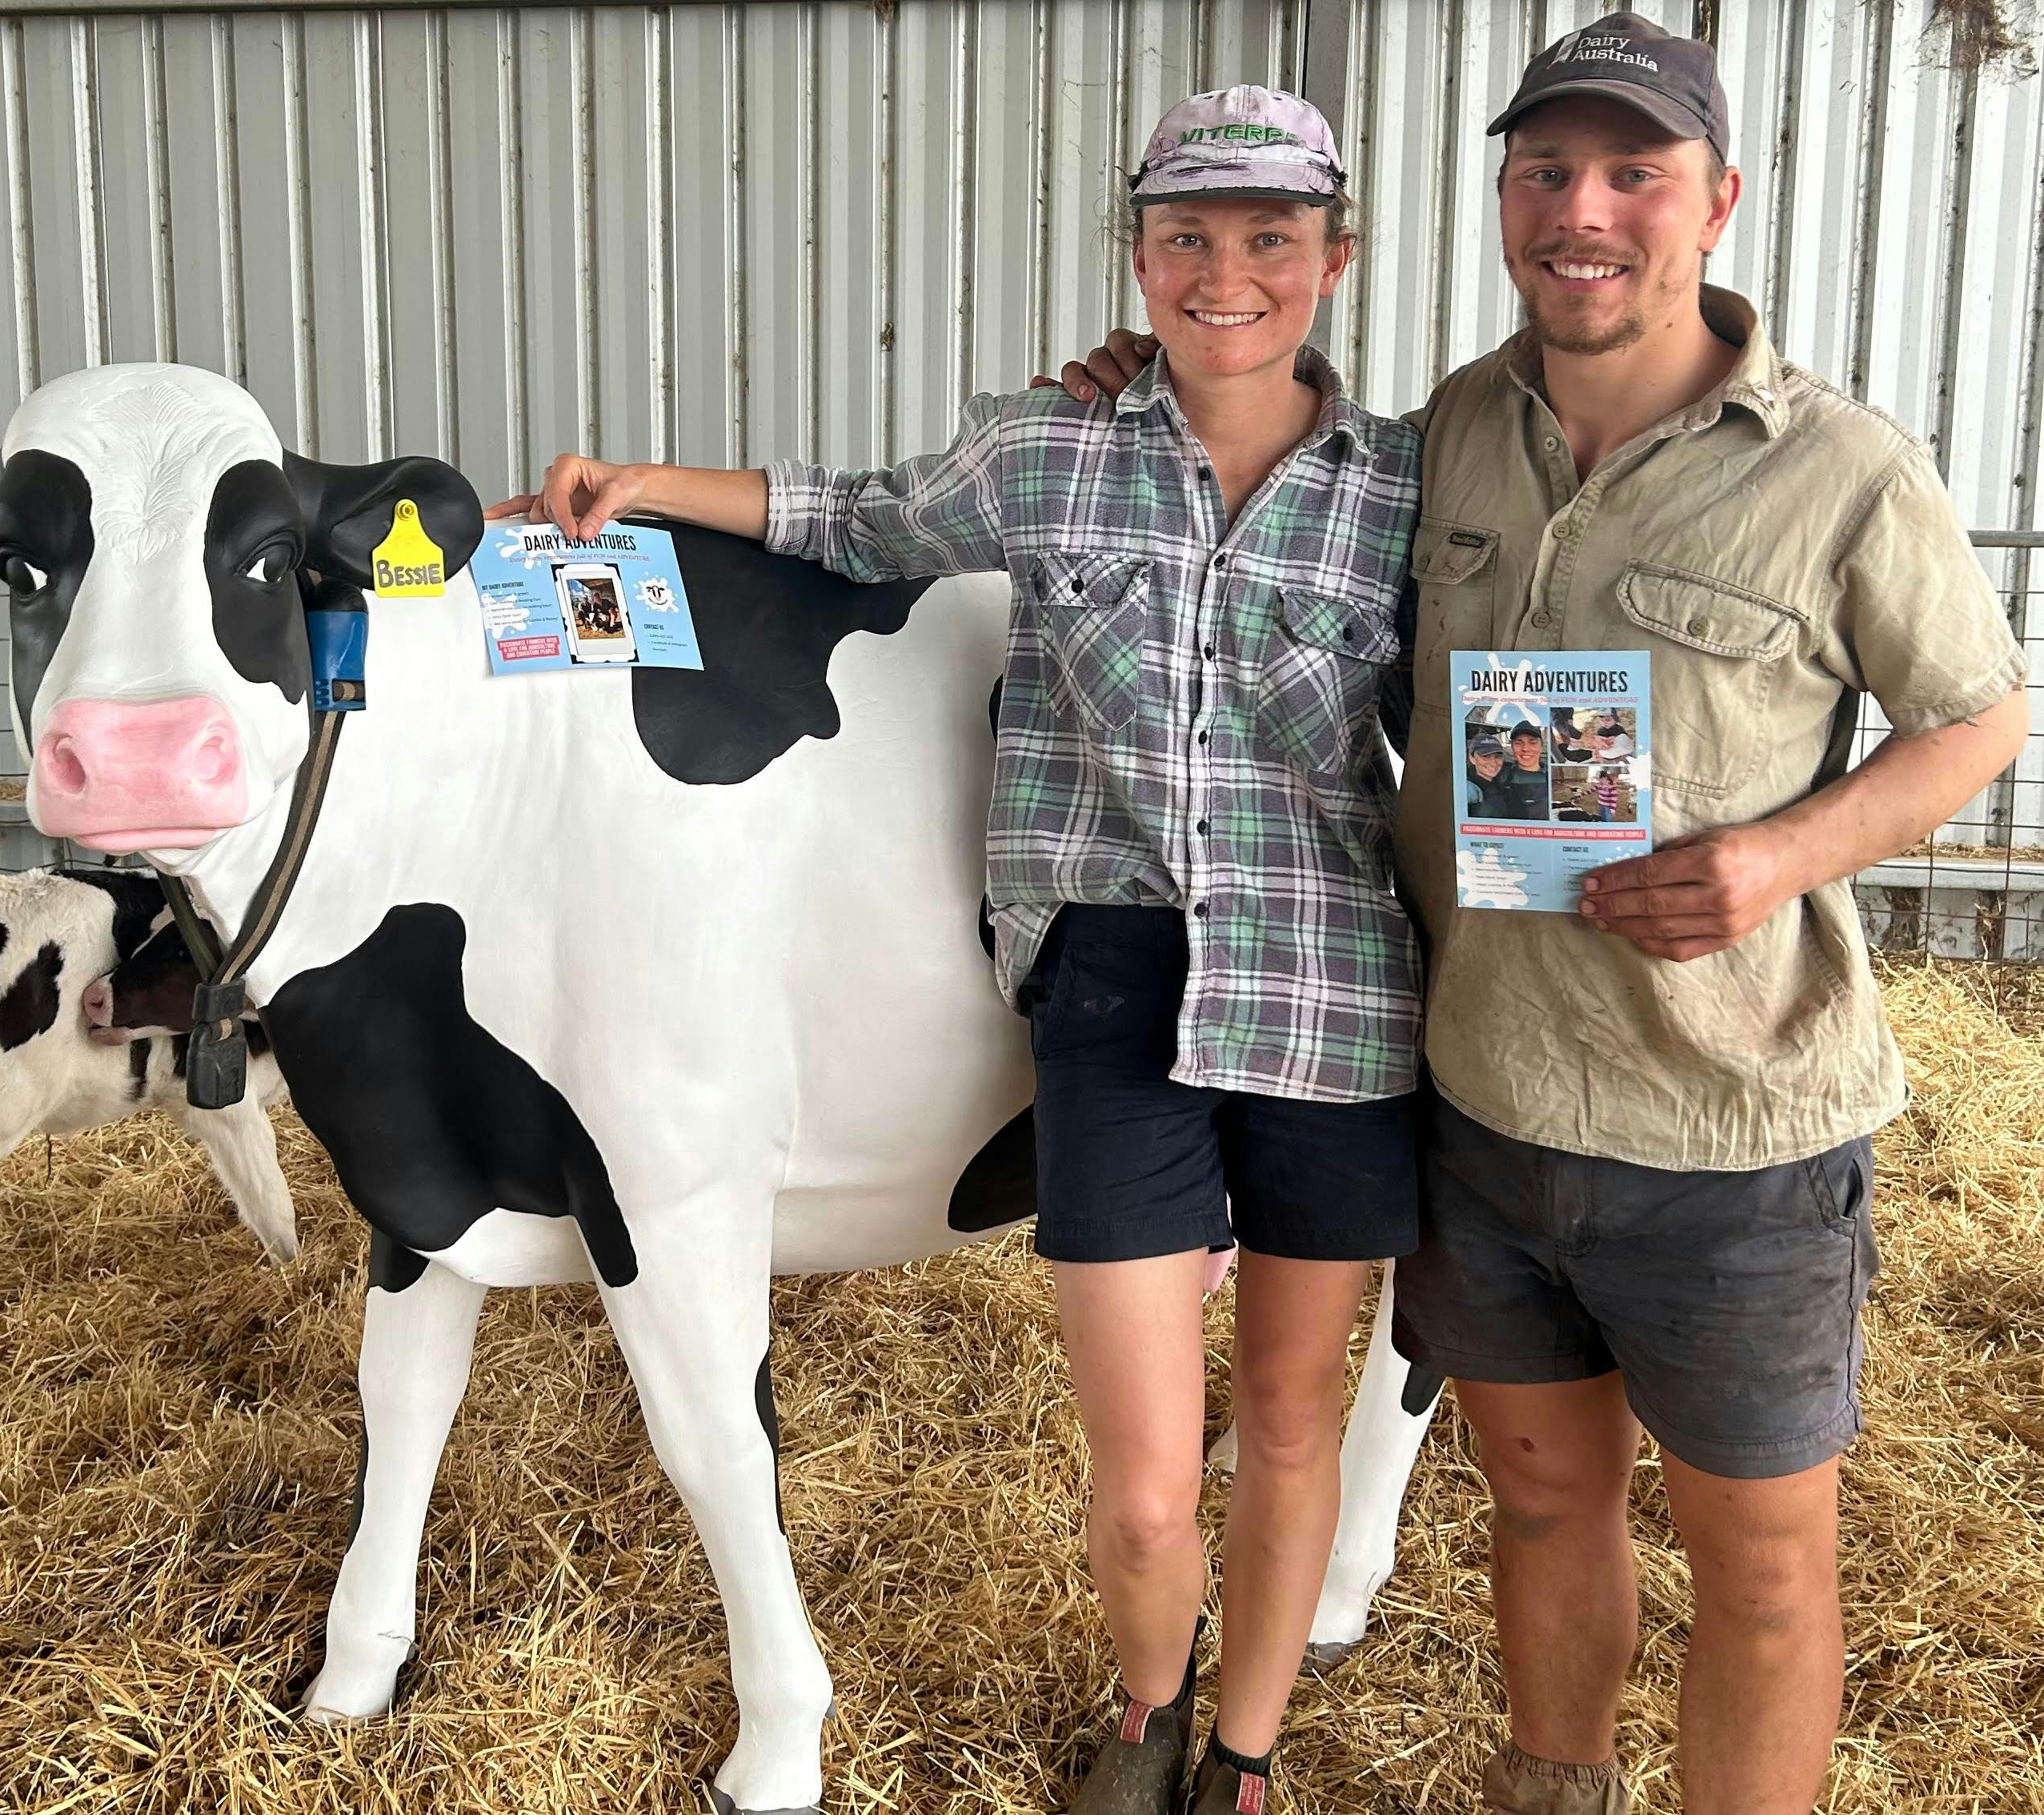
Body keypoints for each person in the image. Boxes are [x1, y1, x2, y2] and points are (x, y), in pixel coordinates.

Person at [1044, 14, 2027, 1814]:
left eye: (1634, 173)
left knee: (1766, 1572)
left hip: (1730, 1131)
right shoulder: (1442, 446)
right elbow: (1261, 462)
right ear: (1503, 200)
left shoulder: (1839, 468)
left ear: (1716, 201)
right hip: (1486, 1106)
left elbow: (1982, 713)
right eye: (1545, 172)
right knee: (1547, 1501)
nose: (1585, 210)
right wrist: (1148, 374)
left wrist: (1778, 858)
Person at [495, 86, 1423, 1815]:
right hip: (1115, 993)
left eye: (1272, 238)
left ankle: (1241, 1751)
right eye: (1188, 238)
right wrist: (639, 487)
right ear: (1139, 256)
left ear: (1334, 257)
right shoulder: (1045, 449)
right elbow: (852, 518)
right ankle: (1152, 1707)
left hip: (1330, 992)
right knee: (1149, 1481)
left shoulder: (1411, 493)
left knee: (1289, 1432)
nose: (1229, 274)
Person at [1466, 735, 1509, 812]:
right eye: (1485, 756)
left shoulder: (1505, 786)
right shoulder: (1468, 792)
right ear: (1472, 758)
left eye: (1497, 757)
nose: (1493, 763)